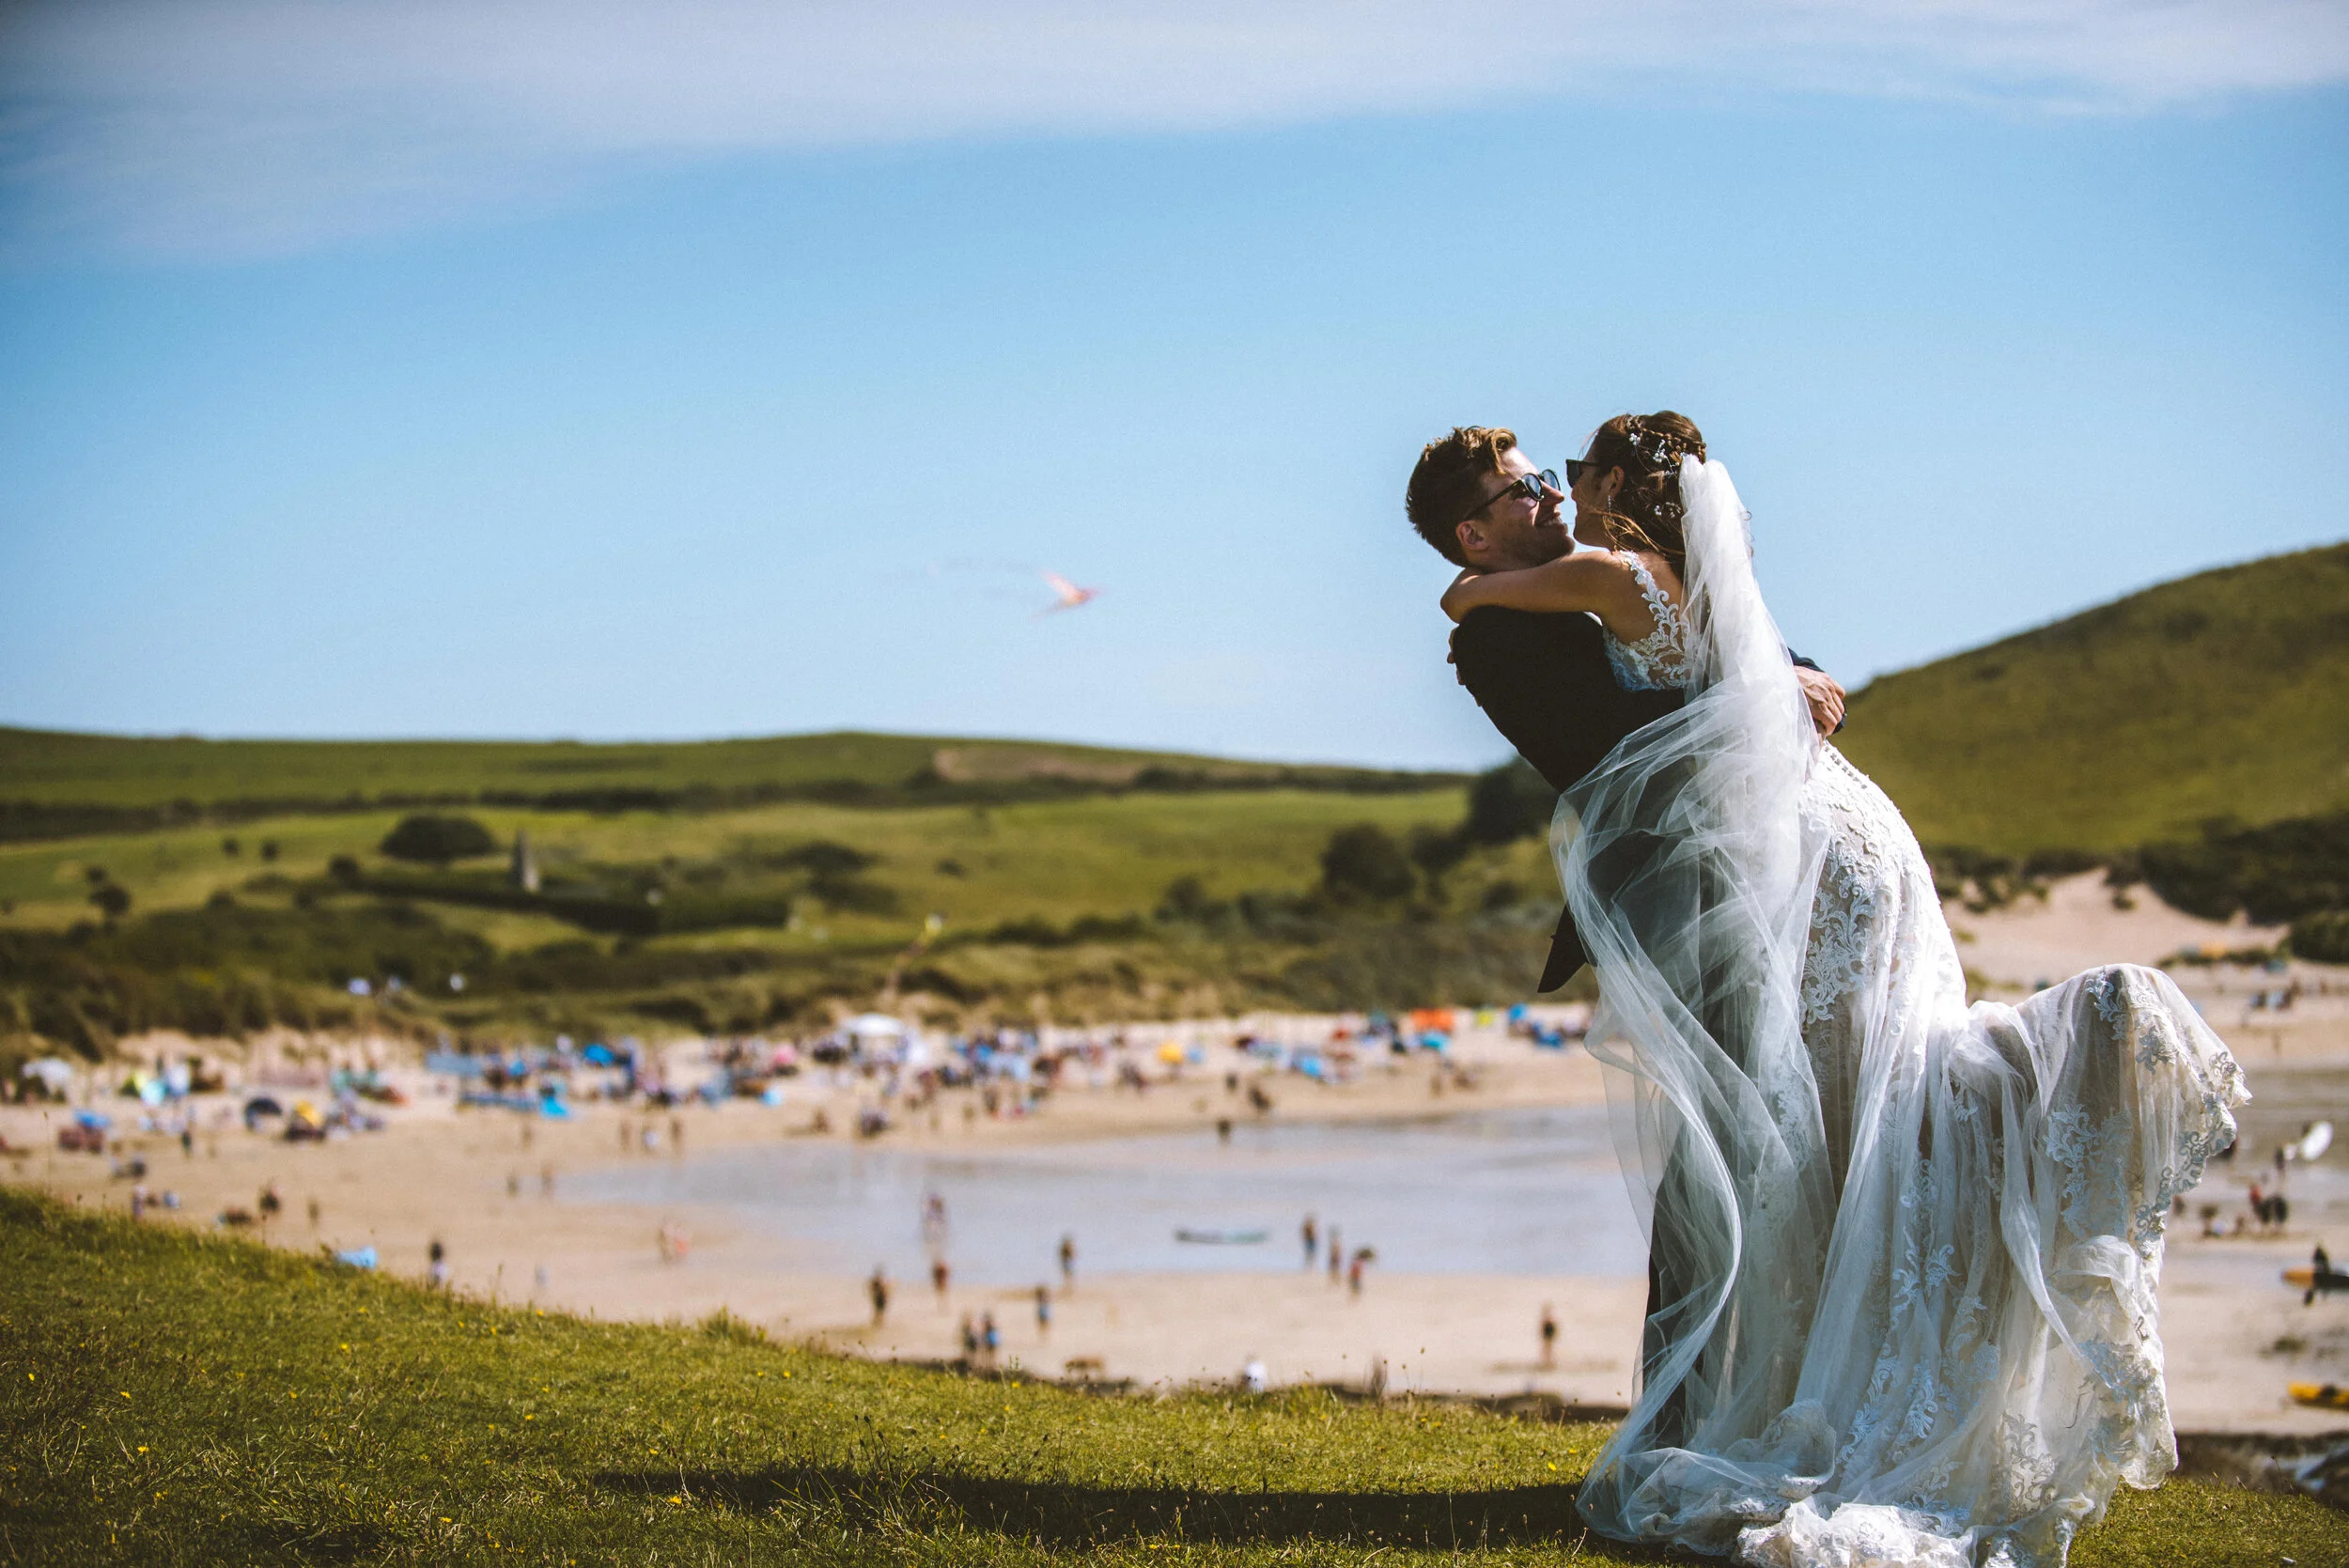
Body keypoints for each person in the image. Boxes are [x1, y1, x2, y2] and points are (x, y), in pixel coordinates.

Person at [1418, 411, 2246, 1566]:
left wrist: (1783, 674)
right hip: (1760, 862)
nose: (1550, 496)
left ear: (1619, 489)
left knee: (1799, 1124)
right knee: (1776, 1129)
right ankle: (1741, 1395)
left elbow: (1718, 646)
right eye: (1522, 490)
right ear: (1471, 527)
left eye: (1563, 478)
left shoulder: (1593, 573)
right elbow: (1591, 744)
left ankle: (1756, 1400)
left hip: (1795, 860)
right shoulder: (1503, 625)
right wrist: (1758, 684)